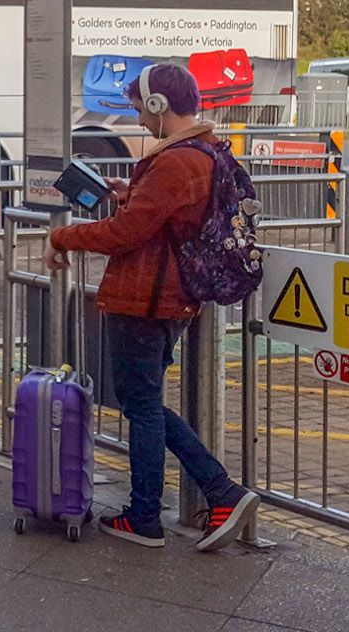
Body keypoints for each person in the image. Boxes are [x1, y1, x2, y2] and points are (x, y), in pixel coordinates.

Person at [43, 63, 260, 552]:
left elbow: (126, 234)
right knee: (146, 404)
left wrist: (62, 236)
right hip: (165, 300)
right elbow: (156, 219)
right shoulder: (198, 154)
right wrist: (131, 194)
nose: (138, 119)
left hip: (147, 301)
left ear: (161, 106)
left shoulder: (178, 162)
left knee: (142, 407)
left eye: (141, 108)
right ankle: (211, 494)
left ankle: (161, 511)